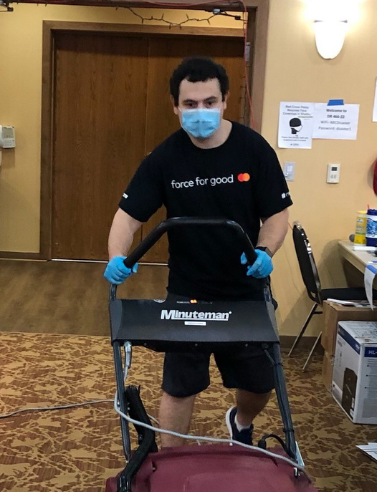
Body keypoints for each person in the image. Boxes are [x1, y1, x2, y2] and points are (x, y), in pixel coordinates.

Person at [102, 56, 291, 446]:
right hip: (188, 289)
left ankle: (240, 420)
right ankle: (171, 466)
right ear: (175, 106)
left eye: (209, 102)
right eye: (190, 105)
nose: (200, 111)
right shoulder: (164, 159)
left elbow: (276, 215)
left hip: (245, 288)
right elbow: (127, 216)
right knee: (179, 386)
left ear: (224, 103)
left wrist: (265, 250)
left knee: (260, 383)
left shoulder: (254, 150)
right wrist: (117, 257)